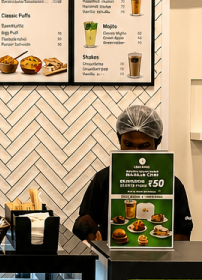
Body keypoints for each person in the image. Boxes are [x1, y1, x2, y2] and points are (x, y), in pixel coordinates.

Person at [73, 104, 194, 242]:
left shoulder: (172, 184)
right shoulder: (103, 180)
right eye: (128, 145)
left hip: (159, 261)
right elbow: (84, 221)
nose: (135, 152)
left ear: (158, 142)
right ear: (119, 140)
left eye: (144, 146)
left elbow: (183, 232)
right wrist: (91, 235)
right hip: (110, 260)